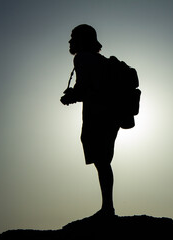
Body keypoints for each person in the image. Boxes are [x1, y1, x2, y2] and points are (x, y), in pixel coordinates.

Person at [60, 24, 120, 218]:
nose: (69, 41)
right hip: (112, 114)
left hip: (99, 114)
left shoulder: (82, 58)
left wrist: (70, 96)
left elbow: (88, 88)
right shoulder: (99, 59)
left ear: (82, 40)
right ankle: (108, 207)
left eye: (73, 37)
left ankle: (107, 208)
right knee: (104, 162)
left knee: (102, 162)